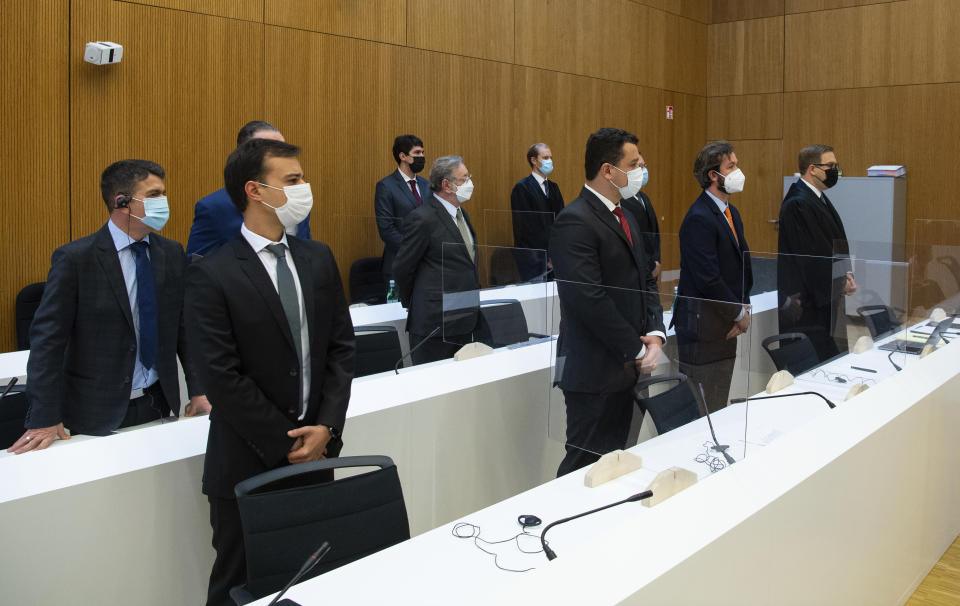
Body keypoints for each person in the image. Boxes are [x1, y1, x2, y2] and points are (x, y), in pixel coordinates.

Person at [186, 139, 354, 605]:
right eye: (293, 180)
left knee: (312, 579)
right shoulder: (213, 273)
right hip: (247, 460)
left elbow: (341, 349)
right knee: (239, 585)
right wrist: (290, 441)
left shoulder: (317, 258)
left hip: (318, 455)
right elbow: (222, 375)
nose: (305, 188)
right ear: (255, 191)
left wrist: (327, 428)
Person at [8, 160, 208, 454]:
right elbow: (47, 343)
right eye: (154, 195)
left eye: (163, 193)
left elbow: (183, 329)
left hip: (159, 403)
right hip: (94, 412)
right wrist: (44, 417)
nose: (164, 202)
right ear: (122, 202)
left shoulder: (171, 253)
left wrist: (199, 389)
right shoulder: (76, 259)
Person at [548, 128, 665, 477]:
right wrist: (637, 348)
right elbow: (586, 298)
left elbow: (645, 279)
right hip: (593, 370)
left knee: (614, 464)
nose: (641, 170)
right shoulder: (574, 220)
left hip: (628, 367)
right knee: (584, 468)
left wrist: (655, 332)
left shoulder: (626, 215)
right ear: (608, 170)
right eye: (634, 164)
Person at [675, 141, 753, 414]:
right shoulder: (699, 217)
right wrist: (737, 313)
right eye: (731, 166)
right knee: (702, 409)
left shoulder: (732, 213)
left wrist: (743, 306)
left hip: (725, 325)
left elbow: (741, 266)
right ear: (713, 175)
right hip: (703, 327)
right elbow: (708, 278)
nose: (737, 171)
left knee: (719, 404)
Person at [393, 155, 484, 365]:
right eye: (463, 179)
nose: (469, 183)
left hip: (465, 319)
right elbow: (402, 268)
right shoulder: (423, 218)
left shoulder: (463, 214)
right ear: (446, 185)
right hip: (434, 324)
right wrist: (415, 303)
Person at [778, 144, 856, 362]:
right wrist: (840, 280)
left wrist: (846, 273)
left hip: (825, 295)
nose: (835, 171)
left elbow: (835, 243)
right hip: (807, 304)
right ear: (812, 169)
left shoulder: (818, 198)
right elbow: (812, 256)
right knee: (816, 359)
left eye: (836, 166)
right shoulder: (798, 203)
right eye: (830, 166)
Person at [186, 121, 310, 258]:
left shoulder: (295, 200)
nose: (281, 154)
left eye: (282, 148)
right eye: (271, 149)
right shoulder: (214, 207)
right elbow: (197, 264)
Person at [375, 134, 430, 288]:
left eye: (423, 153)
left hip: (426, 266)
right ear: (403, 156)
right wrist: (415, 248)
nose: (422, 157)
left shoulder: (426, 185)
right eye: (417, 153)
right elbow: (386, 229)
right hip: (400, 263)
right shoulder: (386, 186)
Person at [510, 143, 564, 281]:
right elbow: (524, 229)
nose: (550, 161)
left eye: (550, 157)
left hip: (555, 258)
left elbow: (561, 221)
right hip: (534, 260)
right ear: (534, 160)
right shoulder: (522, 188)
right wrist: (543, 257)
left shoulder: (554, 187)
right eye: (545, 157)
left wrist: (556, 253)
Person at [620, 154, 661, 279]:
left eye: (645, 166)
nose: (644, 171)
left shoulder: (643, 197)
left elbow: (654, 233)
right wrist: (649, 266)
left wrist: (656, 262)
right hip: (636, 271)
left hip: (652, 269)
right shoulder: (621, 200)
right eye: (640, 166)